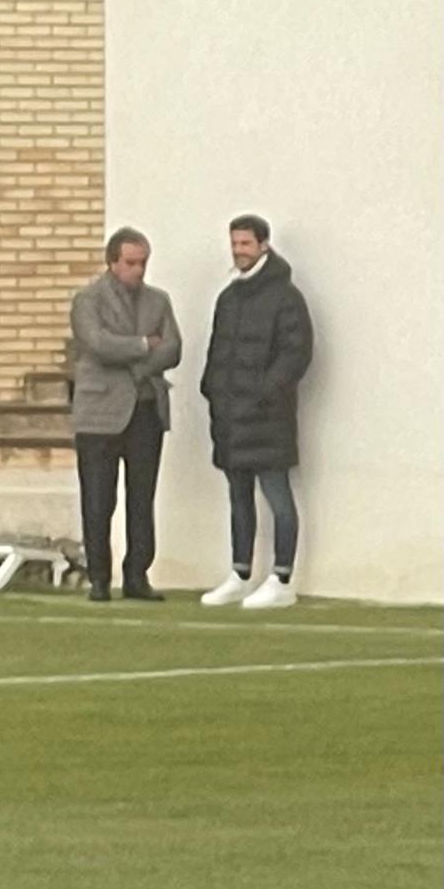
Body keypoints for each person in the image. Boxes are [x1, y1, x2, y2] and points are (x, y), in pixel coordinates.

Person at [199, 215, 314, 609]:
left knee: (278, 495)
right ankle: (240, 573)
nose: (239, 251)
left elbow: (296, 353)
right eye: (234, 243)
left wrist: (265, 394)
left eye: (246, 243)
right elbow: (216, 352)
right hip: (230, 419)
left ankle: (282, 578)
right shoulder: (228, 298)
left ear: (263, 245)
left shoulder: (286, 297)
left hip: (268, 418)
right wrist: (212, 391)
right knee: (238, 497)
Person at [70, 227, 183, 601]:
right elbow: (97, 344)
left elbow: (173, 349)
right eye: (131, 263)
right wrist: (143, 345)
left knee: (142, 498)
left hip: (146, 408)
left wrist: (138, 364)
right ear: (113, 262)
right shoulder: (88, 300)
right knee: (98, 500)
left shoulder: (158, 300)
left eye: (143, 263)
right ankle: (99, 578)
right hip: (99, 413)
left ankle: (137, 575)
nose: (139, 270)